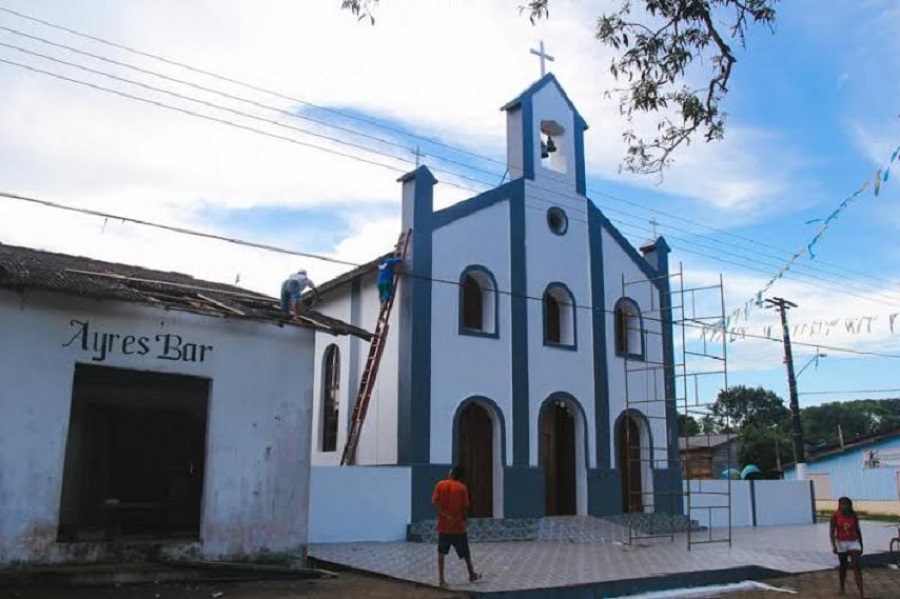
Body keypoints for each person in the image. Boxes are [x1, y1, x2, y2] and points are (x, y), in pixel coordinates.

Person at [431, 465, 481, 588]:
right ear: (460, 477)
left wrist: (445, 516)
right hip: (458, 527)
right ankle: (471, 573)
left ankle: (441, 580)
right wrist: (464, 519)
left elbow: (435, 502)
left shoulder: (440, 485)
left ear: (451, 473)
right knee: (465, 552)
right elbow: (464, 509)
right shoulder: (462, 488)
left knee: (441, 553)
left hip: (443, 526)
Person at [830, 496, 865, 598]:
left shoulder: (853, 515)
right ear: (839, 505)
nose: (844, 506)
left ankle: (861, 592)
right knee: (843, 566)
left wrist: (861, 545)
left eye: (846, 504)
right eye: (842, 504)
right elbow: (832, 532)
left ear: (850, 505)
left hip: (853, 542)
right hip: (841, 542)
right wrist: (834, 546)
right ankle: (842, 586)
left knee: (857, 566)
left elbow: (858, 531)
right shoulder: (835, 516)